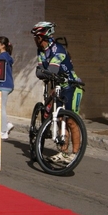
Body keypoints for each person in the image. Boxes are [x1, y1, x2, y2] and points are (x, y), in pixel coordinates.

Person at [31, 21, 82, 164]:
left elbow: (50, 71)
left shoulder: (58, 50)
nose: (34, 40)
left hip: (71, 85)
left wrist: (43, 72)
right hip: (58, 86)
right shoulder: (41, 50)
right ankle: (63, 152)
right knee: (60, 120)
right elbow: (39, 71)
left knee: (71, 121)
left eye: (36, 37)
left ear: (42, 37)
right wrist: (43, 72)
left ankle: (75, 153)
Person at [0, 36, 14, 140]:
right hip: (8, 85)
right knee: (1, 107)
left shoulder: (2, 57)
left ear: (3, 45)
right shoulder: (7, 56)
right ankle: (7, 124)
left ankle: (4, 131)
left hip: (4, 85)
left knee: (1, 108)